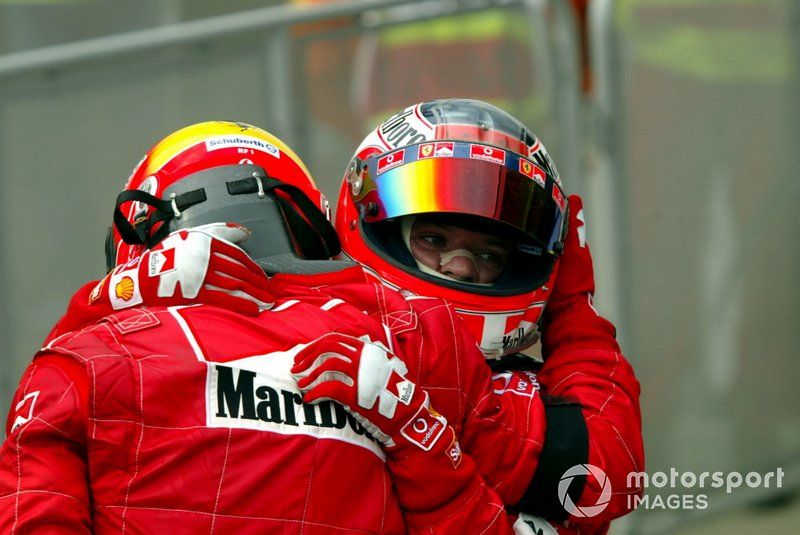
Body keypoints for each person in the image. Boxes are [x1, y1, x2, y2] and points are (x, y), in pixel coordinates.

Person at [0, 121, 521, 533]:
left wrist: (100, 301)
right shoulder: (412, 337)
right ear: (309, 224)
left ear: (135, 245)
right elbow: (590, 479)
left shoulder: (78, 360)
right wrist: (419, 433)